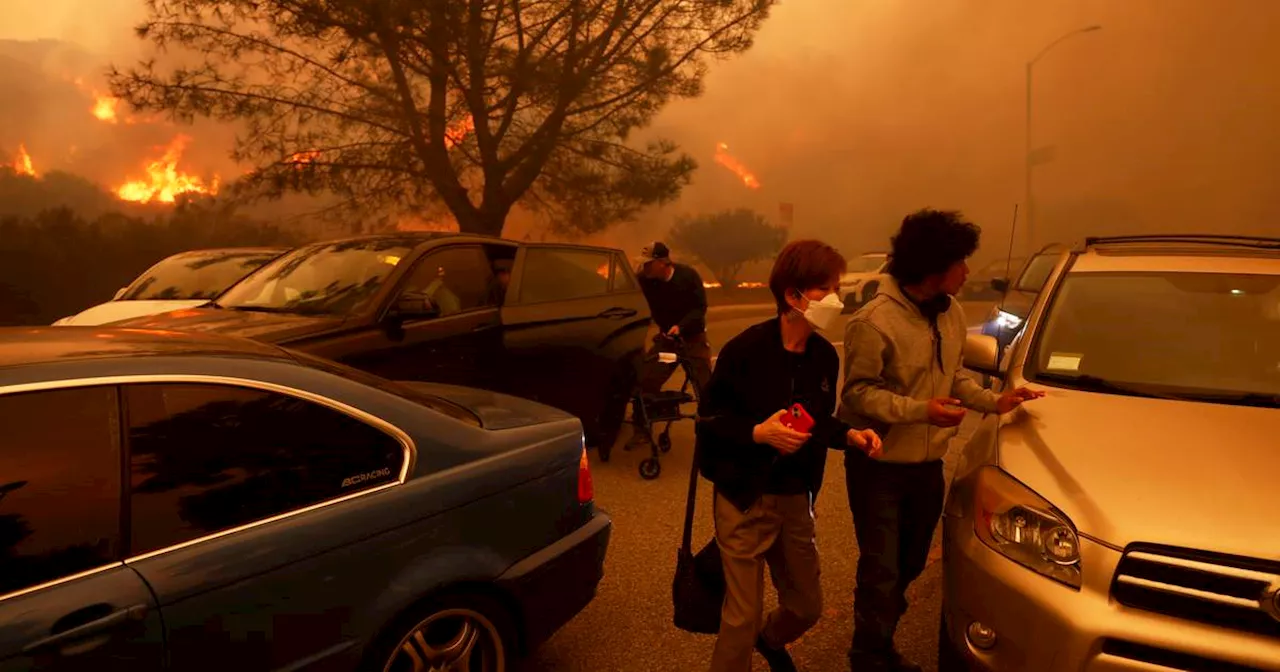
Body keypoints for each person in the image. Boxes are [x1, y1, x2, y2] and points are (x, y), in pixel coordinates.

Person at [839, 209, 1045, 672]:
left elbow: (953, 378)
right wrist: (921, 410)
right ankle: (869, 655)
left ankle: (879, 636)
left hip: (927, 466)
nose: (968, 272)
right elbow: (856, 394)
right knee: (882, 568)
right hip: (879, 466)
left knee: (910, 563)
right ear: (933, 267)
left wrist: (997, 401)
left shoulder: (949, 313)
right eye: (961, 263)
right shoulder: (873, 321)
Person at [697, 239, 883, 672]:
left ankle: (772, 638)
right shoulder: (745, 350)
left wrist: (851, 435)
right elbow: (708, 421)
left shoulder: (822, 356)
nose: (834, 299)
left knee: (806, 606)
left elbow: (817, 420)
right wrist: (757, 433)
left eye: (835, 287)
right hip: (744, 498)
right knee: (740, 618)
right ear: (792, 296)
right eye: (824, 289)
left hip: (796, 498)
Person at [631, 241, 713, 443]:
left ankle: (712, 432)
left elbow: (699, 308)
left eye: (649, 263)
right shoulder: (645, 280)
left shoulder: (688, 276)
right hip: (667, 341)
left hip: (692, 339)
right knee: (646, 380)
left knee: (706, 387)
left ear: (663, 262)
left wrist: (681, 326)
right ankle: (641, 429)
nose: (645, 267)